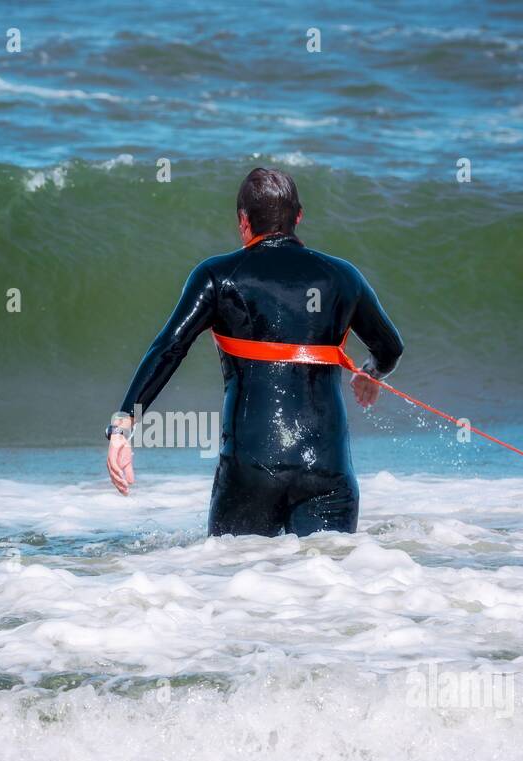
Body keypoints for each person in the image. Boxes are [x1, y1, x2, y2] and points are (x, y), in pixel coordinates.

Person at [105, 167, 403, 536]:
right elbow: (390, 347)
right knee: (325, 582)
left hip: (251, 470)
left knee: (237, 583)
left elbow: (169, 347)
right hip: (326, 471)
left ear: (243, 221)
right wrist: (370, 374)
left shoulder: (218, 276)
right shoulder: (343, 276)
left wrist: (123, 425)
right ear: (298, 217)